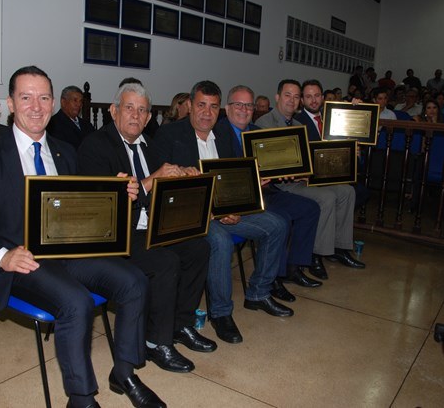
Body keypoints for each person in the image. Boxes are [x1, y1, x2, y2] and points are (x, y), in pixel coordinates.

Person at [0, 66, 165, 408]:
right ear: (10, 104)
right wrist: (1, 256)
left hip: (68, 252)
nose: (36, 106)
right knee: (76, 302)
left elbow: (85, 212)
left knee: (134, 281)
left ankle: (124, 373)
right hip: (20, 261)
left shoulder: (66, 152)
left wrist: (120, 194)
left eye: (44, 97)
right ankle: (81, 398)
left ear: (52, 102)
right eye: (26, 97)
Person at [77, 82, 214, 374]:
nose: (135, 115)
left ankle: (181, 325)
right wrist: (152, 180)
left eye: (142, 111)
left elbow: (162, 189)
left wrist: (183, 178)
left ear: (149, 117)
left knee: (199, 248)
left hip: (150, 226)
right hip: (117, 234)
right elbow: (100, 206)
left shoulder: (150, 145)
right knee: (165, 261)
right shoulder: (94, 146)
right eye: (129, 108)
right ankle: (156, 341)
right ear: (114, 111)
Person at [154, 80, 292, 345]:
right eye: (201, 105)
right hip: (195, 216)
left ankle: (258, 293)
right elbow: (164, 189)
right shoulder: (169, 135)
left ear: (220, 110)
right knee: (219, 240)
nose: (207, 113)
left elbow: (234, 180)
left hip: (225, 210)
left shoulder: (225, 134)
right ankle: (220, 313)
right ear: (190, 105)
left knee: (277, 224)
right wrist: (212, 212)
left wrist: (238, 206)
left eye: (213, 107)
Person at [216, 85, 322, 289]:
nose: (244, 110)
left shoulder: (258, 132)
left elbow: (272, 166)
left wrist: (283, 171)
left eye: (249, 105)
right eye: (238, 104)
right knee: (281, 219)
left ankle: (293, 268)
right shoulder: (217, 135)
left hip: (267, 191)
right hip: (242, 200)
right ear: (227, 108)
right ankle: (275, 279)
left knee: (310, 208)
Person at [256, 79, 365, 272]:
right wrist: (301, 172)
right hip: (279, 185)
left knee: (347, 191)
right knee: (327, 197)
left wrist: (354, 109)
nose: (292, 100)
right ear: (277, 97)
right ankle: (316, 254)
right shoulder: (264, 123)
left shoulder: (298, 124)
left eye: (296, 96)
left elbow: (305, 158)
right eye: (288, 95)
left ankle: (339, 247)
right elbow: (269, 163)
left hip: (302, 179)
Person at [46, 85, 94, 150]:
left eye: (81, 101)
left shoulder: (87, 125)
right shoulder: (53, 124)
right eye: (75, 100)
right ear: (63, 102)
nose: (79, 104)